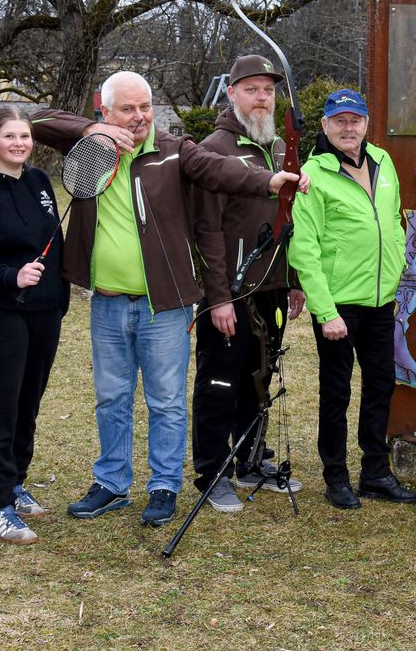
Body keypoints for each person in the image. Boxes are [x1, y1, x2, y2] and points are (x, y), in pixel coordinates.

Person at [32, 71, 306, 528]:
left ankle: (163, 487)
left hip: (165, 304)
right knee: (112, 398)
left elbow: (218, 170)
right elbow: (39, 120)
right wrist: (91, 131)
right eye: (128, 109)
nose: (140, 117)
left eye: (145, 107)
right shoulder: (90, 148)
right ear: (105, 110)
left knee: (166, 402)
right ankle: (111, 484)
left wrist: (268, 181)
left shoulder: (176, 150)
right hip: (108, 303)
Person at [289, 88, 416, 509]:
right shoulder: (314, 174)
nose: (348, 127)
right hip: (338, 307)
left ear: (366, 124)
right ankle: (336, 476)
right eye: (339, 120)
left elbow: (396, 222)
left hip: (380, 301)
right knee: (336, 392)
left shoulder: (383, 161)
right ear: (326, 125)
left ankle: (376, 472)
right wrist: (326, 312)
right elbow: (304, 250)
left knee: (381, 385)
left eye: (355, 120)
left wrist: (396, 268)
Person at [192, 54, 306, 512]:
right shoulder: (213, 150)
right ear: (232, 93)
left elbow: (292, 221)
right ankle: (211, 473)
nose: (262, 99)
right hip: (231, 291)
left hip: (272, 289)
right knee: (221, 381)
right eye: (253, 90)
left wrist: (294, 280)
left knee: (261, 378)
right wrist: (218, 297)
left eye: (269, 91)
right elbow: (208, 232)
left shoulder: (280, 148)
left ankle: (251, 462)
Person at [0, 107, 69, 544]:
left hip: (45, 311)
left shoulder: (40, 183)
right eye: (9, 136)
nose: (19, 143)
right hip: (3, 312)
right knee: (1, 407)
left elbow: (52, 242)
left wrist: (58, 294)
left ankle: (15, 482)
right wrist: (10, 277)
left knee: (28, 404)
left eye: (24, 136)